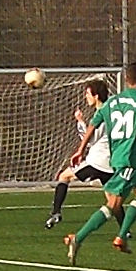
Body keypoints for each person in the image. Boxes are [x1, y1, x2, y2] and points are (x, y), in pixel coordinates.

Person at [67, 59, 136, 260]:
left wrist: (80, 150)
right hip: (128, 160)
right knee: (112, 204)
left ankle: (122, 236)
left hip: (120, 159)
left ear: (126, 79)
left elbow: (92, 125)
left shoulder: (113, 102)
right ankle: (79, 237)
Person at [47, 77, 112, 226]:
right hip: (110, 162)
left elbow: (90, 139)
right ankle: (125, 231)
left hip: (98, 162)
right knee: (112, 199)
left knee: (64, 176)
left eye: (88, 94)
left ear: (96, 96)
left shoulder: (102, 114)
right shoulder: (109, 111)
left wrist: (80, 122)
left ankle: (56, 213)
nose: (86, 97)